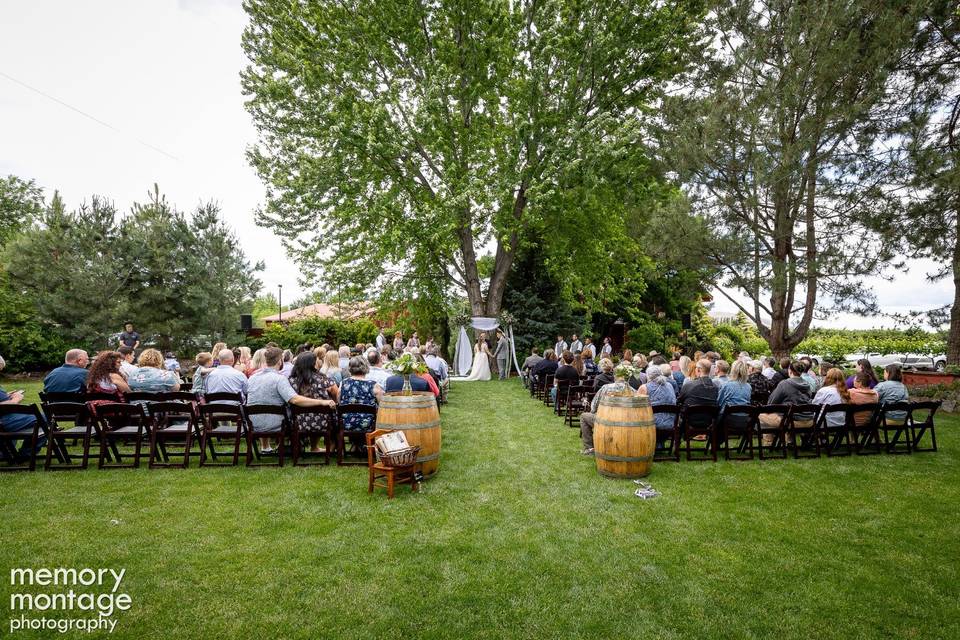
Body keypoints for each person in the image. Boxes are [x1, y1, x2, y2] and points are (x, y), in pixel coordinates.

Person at [246, 347, 336, 454]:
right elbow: (295, 399)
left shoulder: (252, 378)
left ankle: (266, 447)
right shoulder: (279, 379)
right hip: (276, 425)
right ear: (280, 361)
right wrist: (322, 402)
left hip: (252, 424)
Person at [287, 351, 339, 453]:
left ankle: (314, 447)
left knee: (311, 414)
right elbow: (336, 394)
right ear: (313, 364)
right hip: (324, 421)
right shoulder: (324, 379)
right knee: (332, 411)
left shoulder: (291, 381)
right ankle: (330, 446)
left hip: (299, 422)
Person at [578, 365, 636, 455]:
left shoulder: (606, 388)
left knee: (584, 416)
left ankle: (590, 448)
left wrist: (594, 412)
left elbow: (594, 406)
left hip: (606, 421)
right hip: (626, 422)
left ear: (615, 375)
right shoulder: (633, 391)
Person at [0, 355, 44, 458]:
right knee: (45, 418)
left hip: (4, 419)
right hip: (4, 420)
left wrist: (6, 396)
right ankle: (26, 454)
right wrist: (16, 400)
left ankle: (6, 452)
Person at [760, 361, 813, 443]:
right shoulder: (807, 384)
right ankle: (790, 441)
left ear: (790, 371)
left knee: (761, 415)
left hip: (791, 421)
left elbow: (771, 403)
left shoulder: (784, 384)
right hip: (809, 420)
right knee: (783, 415)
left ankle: (769, 442)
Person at [339, 356, 384, 436]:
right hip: (368, 424)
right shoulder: (373, 385)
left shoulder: (343, 383)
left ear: (350, 368)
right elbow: (382, 405)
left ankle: (355, 445)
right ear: (366, 367)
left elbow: (339, 401)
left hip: (347, 423)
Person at [639, 365, 677, 448]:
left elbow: (638, 407)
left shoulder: (644, 387)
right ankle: (659, 444)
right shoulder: (669, 385)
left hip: (652, 424)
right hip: (670, 423)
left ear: (648, 376)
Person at [677, 359, 719, 424]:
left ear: (698, 370)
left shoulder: (689, 385)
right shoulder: (716, 387)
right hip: (708, 421)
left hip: (689, 421)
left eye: (696, 368)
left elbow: (679, 400)